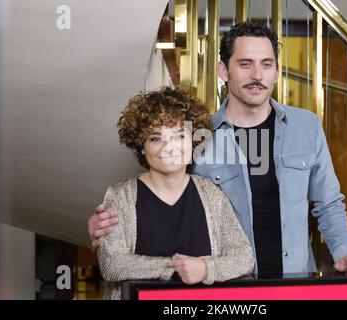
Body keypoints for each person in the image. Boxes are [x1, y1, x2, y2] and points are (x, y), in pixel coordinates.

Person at [89, 21, 347, 277]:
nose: (257, 75)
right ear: (224, 70)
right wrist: (107, 227)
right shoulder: (197, 135)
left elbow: (329, 204)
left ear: (277, 71)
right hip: (226, 287)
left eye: (266, 64)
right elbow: (160, 195)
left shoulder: (306, 126)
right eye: (245, 64)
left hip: (294, 281)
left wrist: (344, 252)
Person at [97, 87, 254, 299]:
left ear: (193, 142)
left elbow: (244, 257)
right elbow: (111, 264)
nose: (169, 148)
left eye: (179, 136)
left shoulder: (211, 194)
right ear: (141, 147)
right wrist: (173, 267)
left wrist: (205, 269)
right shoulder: (120, 195)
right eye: (156, 138)